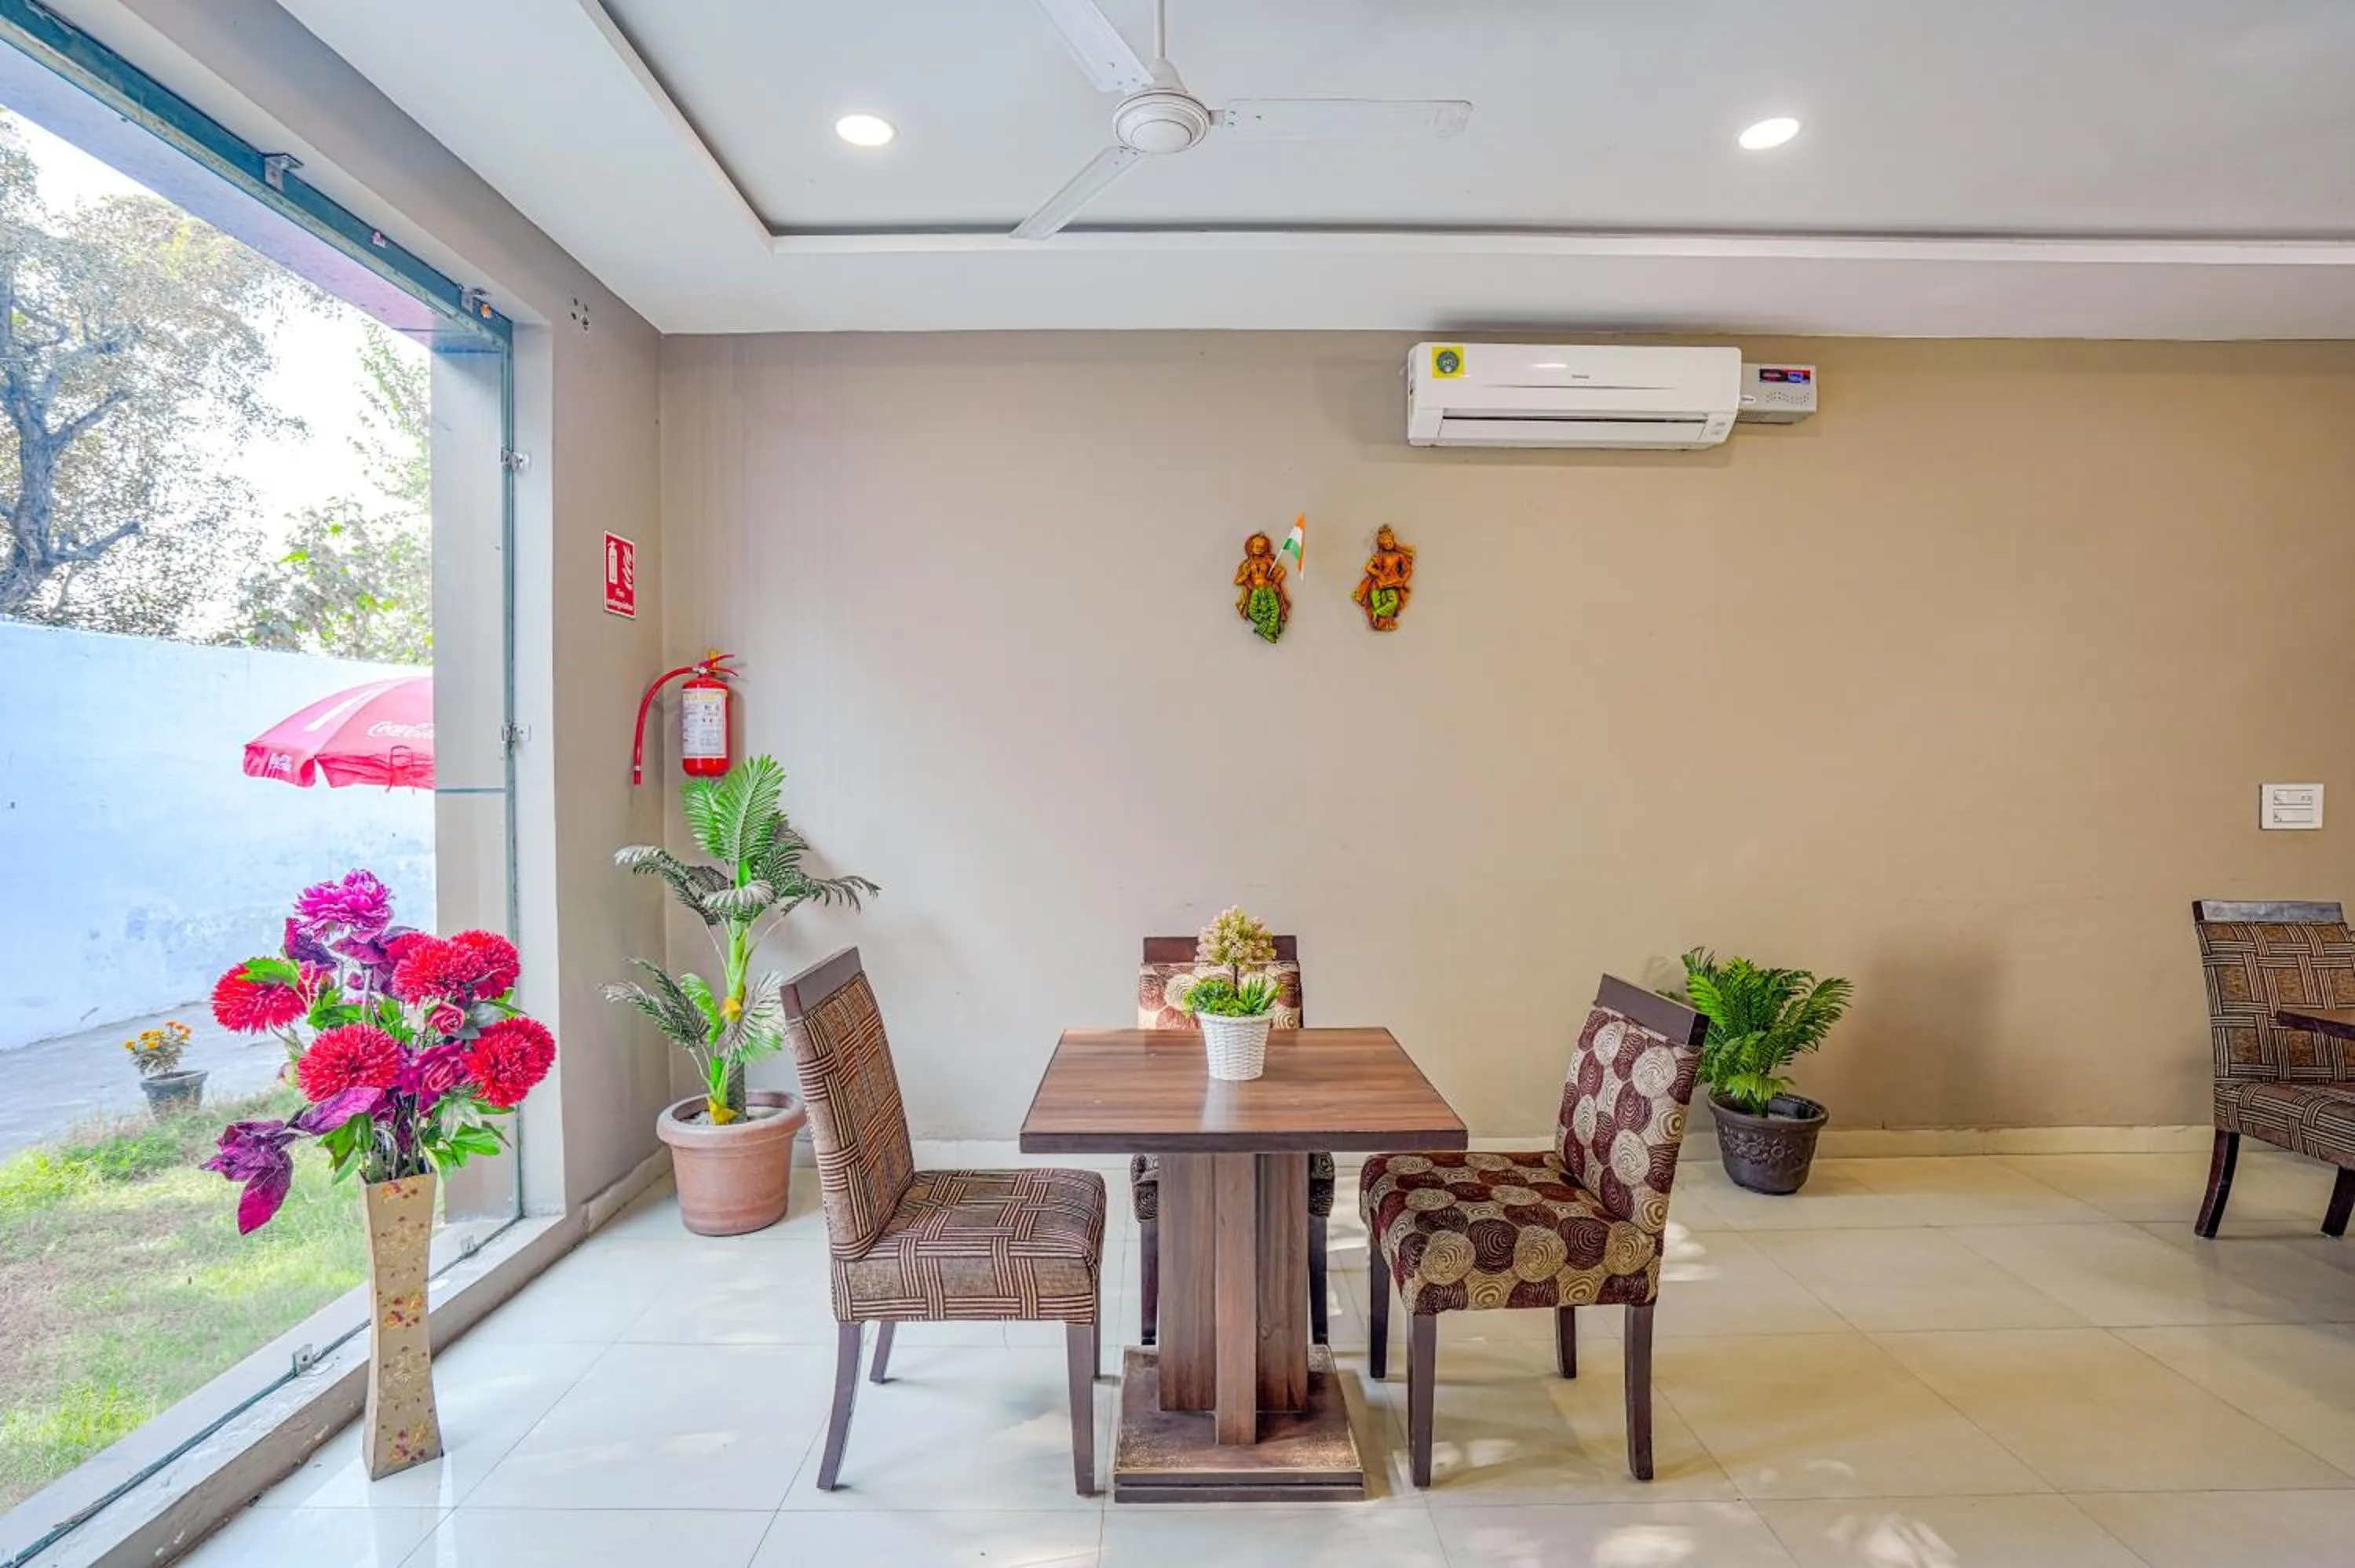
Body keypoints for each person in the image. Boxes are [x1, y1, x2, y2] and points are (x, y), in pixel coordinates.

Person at [1353, 525, 1415, 630]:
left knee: (1393, 603)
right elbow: (1369, 568)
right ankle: (1380, 620)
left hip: (1392, 583)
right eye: (1385, 543)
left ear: (1393, 541)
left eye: (1390, 542)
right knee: (1377, 603)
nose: (1388, 544)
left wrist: (1403, 580)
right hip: (1378, 584)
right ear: (1381, 544)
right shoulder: (1379, 556)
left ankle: (1376, 613)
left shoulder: (1398, 556)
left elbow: (1408, 569)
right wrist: (1379, 574)